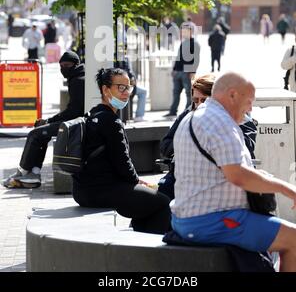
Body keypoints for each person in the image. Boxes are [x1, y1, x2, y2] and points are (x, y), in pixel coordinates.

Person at [171, 72, 296, 272]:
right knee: (293, 239)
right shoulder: (219, 122)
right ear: (232, 95)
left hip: (188, 218)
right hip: (212, 221)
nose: (250, 109)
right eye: (248, 101)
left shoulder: (195, 117)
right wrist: (287, 189)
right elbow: (238, 176)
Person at [72, 67, 171, 234]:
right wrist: (137, 181)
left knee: (145, 201)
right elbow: (122, 162)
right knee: (163, 202)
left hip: (82, 190)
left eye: (129, 87)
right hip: (101, 191)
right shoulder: (111, 121)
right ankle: (150, 247)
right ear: (105, 89)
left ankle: (138, 237)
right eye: (121, 87)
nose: (126, 93)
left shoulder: (93, 114)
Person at [158, 74, 257, 200]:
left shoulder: (242, 120)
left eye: (204, 100)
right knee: (163, 191)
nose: (199, 105)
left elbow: (245, 147)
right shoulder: (187, 115)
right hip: (183, 176)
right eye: (195, 101)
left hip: (220, 181)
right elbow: (166, 144)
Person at [2, 51, 85, 189]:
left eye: (67, 65)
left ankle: (23, 172)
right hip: (77, 121)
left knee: (35, 134)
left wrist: (49, 121)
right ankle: (34, 173)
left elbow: (73, 111)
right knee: (41, 134)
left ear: (75, 64)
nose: (63, 68)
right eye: (61, 65)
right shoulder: (77, 76)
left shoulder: (78, 80)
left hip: (77, 124)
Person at [164, 22, 200, 118]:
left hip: (187, 72)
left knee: (189, 94)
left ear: (190, 31)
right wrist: (174, 69)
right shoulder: (183, 43)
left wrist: (193, 72)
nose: (183, 33)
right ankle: (173, 111)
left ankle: (187, 112)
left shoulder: (195, 43)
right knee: (175, 93)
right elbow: (178, 57)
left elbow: (196, 59)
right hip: (178, 72)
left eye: (185, 31)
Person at [115, 54, 147, 122]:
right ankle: (139, 115)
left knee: (143, 92)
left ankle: (139, 116)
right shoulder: (118, 59)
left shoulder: (126, 58)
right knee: (142, 92)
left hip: (129, 85)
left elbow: (130, 72)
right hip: (123, 86)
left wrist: (133, 79)